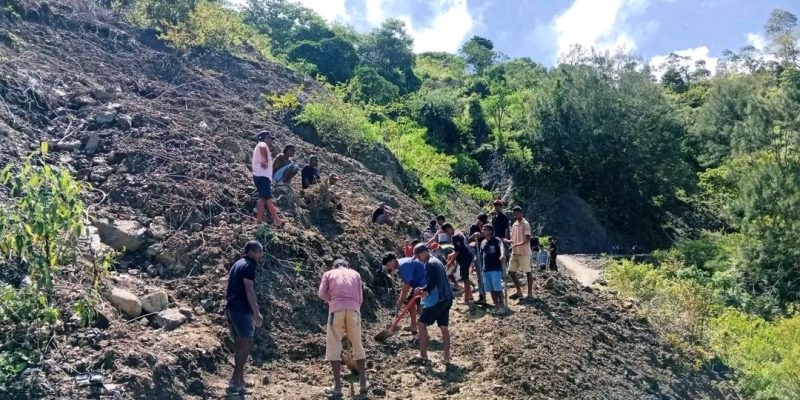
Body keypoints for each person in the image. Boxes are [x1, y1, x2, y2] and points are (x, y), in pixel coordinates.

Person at [318, 259, 367, 397]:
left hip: (336, 311)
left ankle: (338, 387)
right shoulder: (356, 274)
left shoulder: (329, 273)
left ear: (335, 266)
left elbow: (321, 294)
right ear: (347, 266)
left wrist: (333, 300)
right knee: (358, 344)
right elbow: (360, 297)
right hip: (354, 311)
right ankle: (363, 383)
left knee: (334, 346)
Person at [225, 241, 264, 395]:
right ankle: (234, 382)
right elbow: (249, 289)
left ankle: (240, 380)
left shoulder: (238, 264)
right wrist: (256, 311)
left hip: (232, 308)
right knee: (247, 343)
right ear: (251, 252)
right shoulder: (248, 266)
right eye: (259, 252)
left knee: (240, 343)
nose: (260, 255)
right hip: (241, 309)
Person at [412, 244, 454, 365]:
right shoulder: (437, 261)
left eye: (419, 255)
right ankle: (446, 358)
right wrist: (423, 289)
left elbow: (431, 284)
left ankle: (423, 355)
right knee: (444, 327)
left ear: (425, 252)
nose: (419, 258)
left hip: (439, 299)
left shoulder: (429, 264)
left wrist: (422, 289)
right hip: (447, 298)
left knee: (421, 323)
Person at [382, 252, 426, 334]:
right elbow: (408, 284)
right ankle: (413, 326)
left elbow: (407, 286)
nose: (388, 268)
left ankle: (422, 333)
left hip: (425, 284)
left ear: (393, 260)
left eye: (388, 265)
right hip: (418, 284)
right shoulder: (401, 264)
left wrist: (400, 300)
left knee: (420, 308)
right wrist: (401, 300)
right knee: (410, 303)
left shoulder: (403, 266)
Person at [252, 131, 285, 227]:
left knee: (268, 199)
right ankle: (258, 222)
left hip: (262, 176)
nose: (271, 140)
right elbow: (262, 148)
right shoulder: (262, 144)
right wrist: (265, 160)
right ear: (266, 137)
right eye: (270, 138)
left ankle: (276, 220)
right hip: (262, 176)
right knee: (262, 198)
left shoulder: (261, 146)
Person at [507, 206, 533, 299]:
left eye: (517, 214)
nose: (515, 215)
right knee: (511, 271)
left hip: (524, 252)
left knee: (527, 272)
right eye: (514, 214)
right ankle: (519, 292)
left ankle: (530, 294)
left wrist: (518, 244)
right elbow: (513, 239)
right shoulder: (514, 224)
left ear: (521, 213)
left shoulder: (525, 224)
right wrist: (508, 241)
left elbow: (528, 239)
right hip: (515, 252)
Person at [445, 223, 475, 303]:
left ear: (449, 228)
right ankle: (470, 296)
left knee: (465, 278)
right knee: (465, 277)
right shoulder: (459, 232)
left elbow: (458, 251)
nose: (447, 234)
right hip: (467, 255)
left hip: (464, 257)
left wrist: (450, 262)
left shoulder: (455, 236)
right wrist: (451, 255)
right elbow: (460, 248)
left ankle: (466, 298)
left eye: (446, 231)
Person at [480, 225, 506, 310]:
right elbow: (482, 254)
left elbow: (501, 246)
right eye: (482, 229)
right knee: (491, 289)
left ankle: (502, 306)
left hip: (495, 268)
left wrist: (502, 255)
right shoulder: (483, 242)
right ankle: (496, 305)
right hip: (486, 269)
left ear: (490, 231)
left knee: (497, 288)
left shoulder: (496, 240)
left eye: (485, 230)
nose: (483, 231)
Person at [468, 213, 489, 304]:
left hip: (487, 253)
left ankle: (490, 295)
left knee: (486, 275)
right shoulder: (473, 227)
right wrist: (474, 235)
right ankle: (482, 295)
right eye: (478, 220)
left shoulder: (488, 228)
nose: (478, 222)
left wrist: (483, 232)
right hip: (478, 252)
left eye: (480, 221)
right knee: (480, 275)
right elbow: (469, 239)